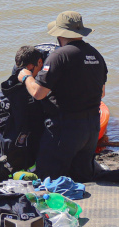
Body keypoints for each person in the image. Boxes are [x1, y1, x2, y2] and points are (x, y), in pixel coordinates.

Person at [16, 11, 107, 182]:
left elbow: (38, 93)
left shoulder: (59, 56)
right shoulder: (96, 55)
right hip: (91, 127)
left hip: (66, 128)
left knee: (48, 176)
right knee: (82, 177)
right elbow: (101, 93)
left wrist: (26, 77)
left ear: (59, 34)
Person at [0, 44, 56, 173]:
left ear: (40, 63)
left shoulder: (51, 66)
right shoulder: (21, 69)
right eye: (22, 70)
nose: (23, 73)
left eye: (27, 71)